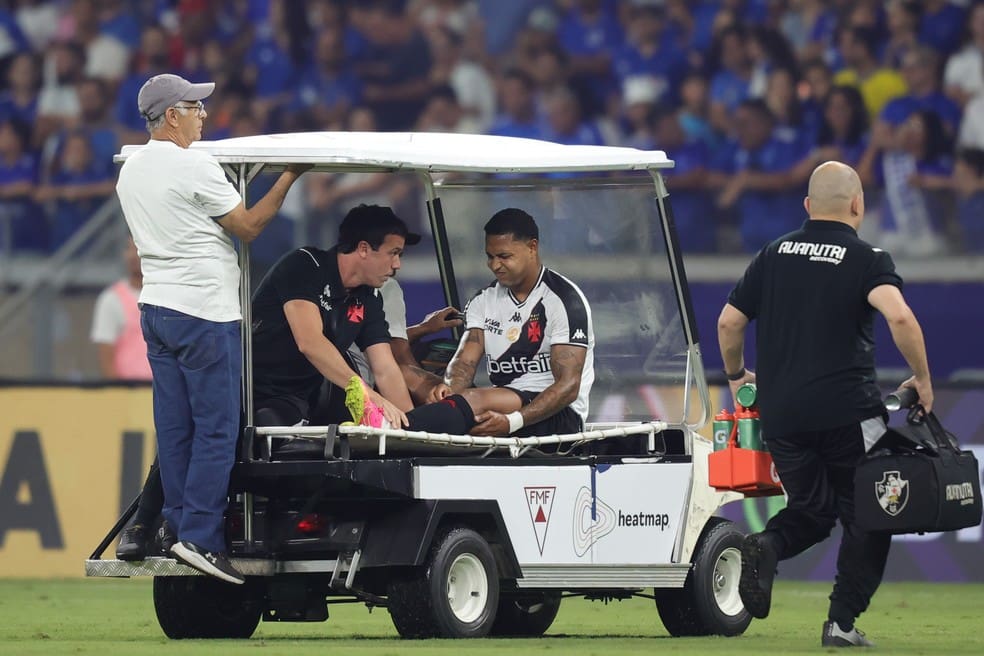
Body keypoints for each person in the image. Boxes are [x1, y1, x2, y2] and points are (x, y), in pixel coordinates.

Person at [717, 161, 933, 648]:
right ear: (858, 205)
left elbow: (729, 323)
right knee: (871, 515)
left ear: (808, 207)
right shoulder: (867, 258)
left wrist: (736, 378)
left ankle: (766, 545)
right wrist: (922, 377)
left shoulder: (773, 254)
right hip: (848, 414)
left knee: (813, 511)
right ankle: (841, 624)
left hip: (784, 417)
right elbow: (899, 316)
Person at [115, 73, 309, 584]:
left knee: (175, 429)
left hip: (156, 309)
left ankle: (176, 528)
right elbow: (247, 227)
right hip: (204, 312)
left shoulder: (130, 170)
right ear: (171, 115)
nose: (204, 114)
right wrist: (289, 176)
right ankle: (200, 538)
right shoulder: (194, 164)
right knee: (219, 428)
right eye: (195, 106)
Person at [370, 208, 595, 439]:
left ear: (532, 248)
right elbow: (465, 362)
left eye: (504, 257)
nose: (495, 265)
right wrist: (449, 388)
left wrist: (512, 422)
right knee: (405, 373)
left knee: (473, 400)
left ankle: (395, 432)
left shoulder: (563, 300)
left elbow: (569, 387)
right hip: (501, 399)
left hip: (555, 415)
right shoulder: (482, 300)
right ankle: (424, 424)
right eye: (490, 256)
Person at [90, 236, 151, 380]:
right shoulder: (111, 299)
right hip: (127, 392)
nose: (132, 255)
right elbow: (105, 353)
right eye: (129, 248)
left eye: (138, 249)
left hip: (162, 393)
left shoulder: (166, 298)